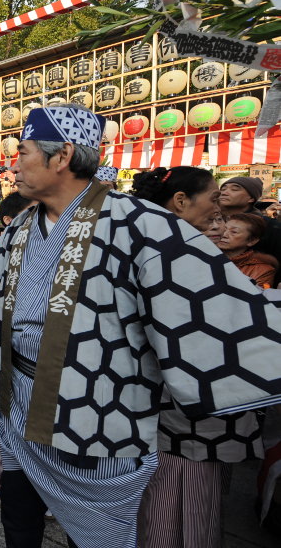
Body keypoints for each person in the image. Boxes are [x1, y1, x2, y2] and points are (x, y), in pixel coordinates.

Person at [0, 104, 281, 548]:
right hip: (17, 396)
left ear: (61, 156)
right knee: (17, 511)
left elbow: (217, 310)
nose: (11, 165)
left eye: (22, 151)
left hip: (93, 407)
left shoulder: (142, 223)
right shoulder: (20, 226)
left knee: (100, 533)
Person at [133, 166, 265, 548]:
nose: (219, 217)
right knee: (181, 487)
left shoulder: (161, 242)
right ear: (180, 202)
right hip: (184, 401)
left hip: (174, 400)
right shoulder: (176, 251)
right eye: (213, 201)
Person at [219, 213, 277, 287]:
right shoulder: (205, 256)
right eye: (224, 229)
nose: (224, 235)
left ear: (252, 241)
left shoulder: (262, 271)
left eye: (234, 232)